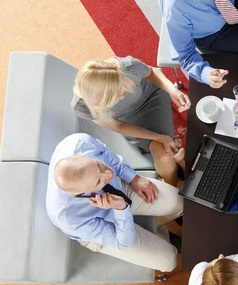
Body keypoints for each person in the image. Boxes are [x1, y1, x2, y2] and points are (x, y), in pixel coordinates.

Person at [46, 133, 184, 272]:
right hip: (100, 226)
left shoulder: (79, 142)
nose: (109, 174)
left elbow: (107, 153)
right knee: (168, 261)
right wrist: (121, 209)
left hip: (117, 188)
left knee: (181, 202)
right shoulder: (70, 219)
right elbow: (122, 242)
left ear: (79, 156)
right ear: (78, 194)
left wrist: (133, 178)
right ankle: (159, 234)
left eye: (99, 166)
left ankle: (152, 226)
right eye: (98, 181)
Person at [72, 56, 190, 187]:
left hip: (152, 97)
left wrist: (173, 91)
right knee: (165, 159)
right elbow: (118, 125)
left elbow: (152, 72)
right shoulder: (82, 107)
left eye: (122, 83)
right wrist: (159, 137)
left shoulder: (127, 67)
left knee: (166, 157)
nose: (125, 90)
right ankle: (173, 189)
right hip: (127, 122)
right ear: (103, 100)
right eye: (118, 90)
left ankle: (175, 181)